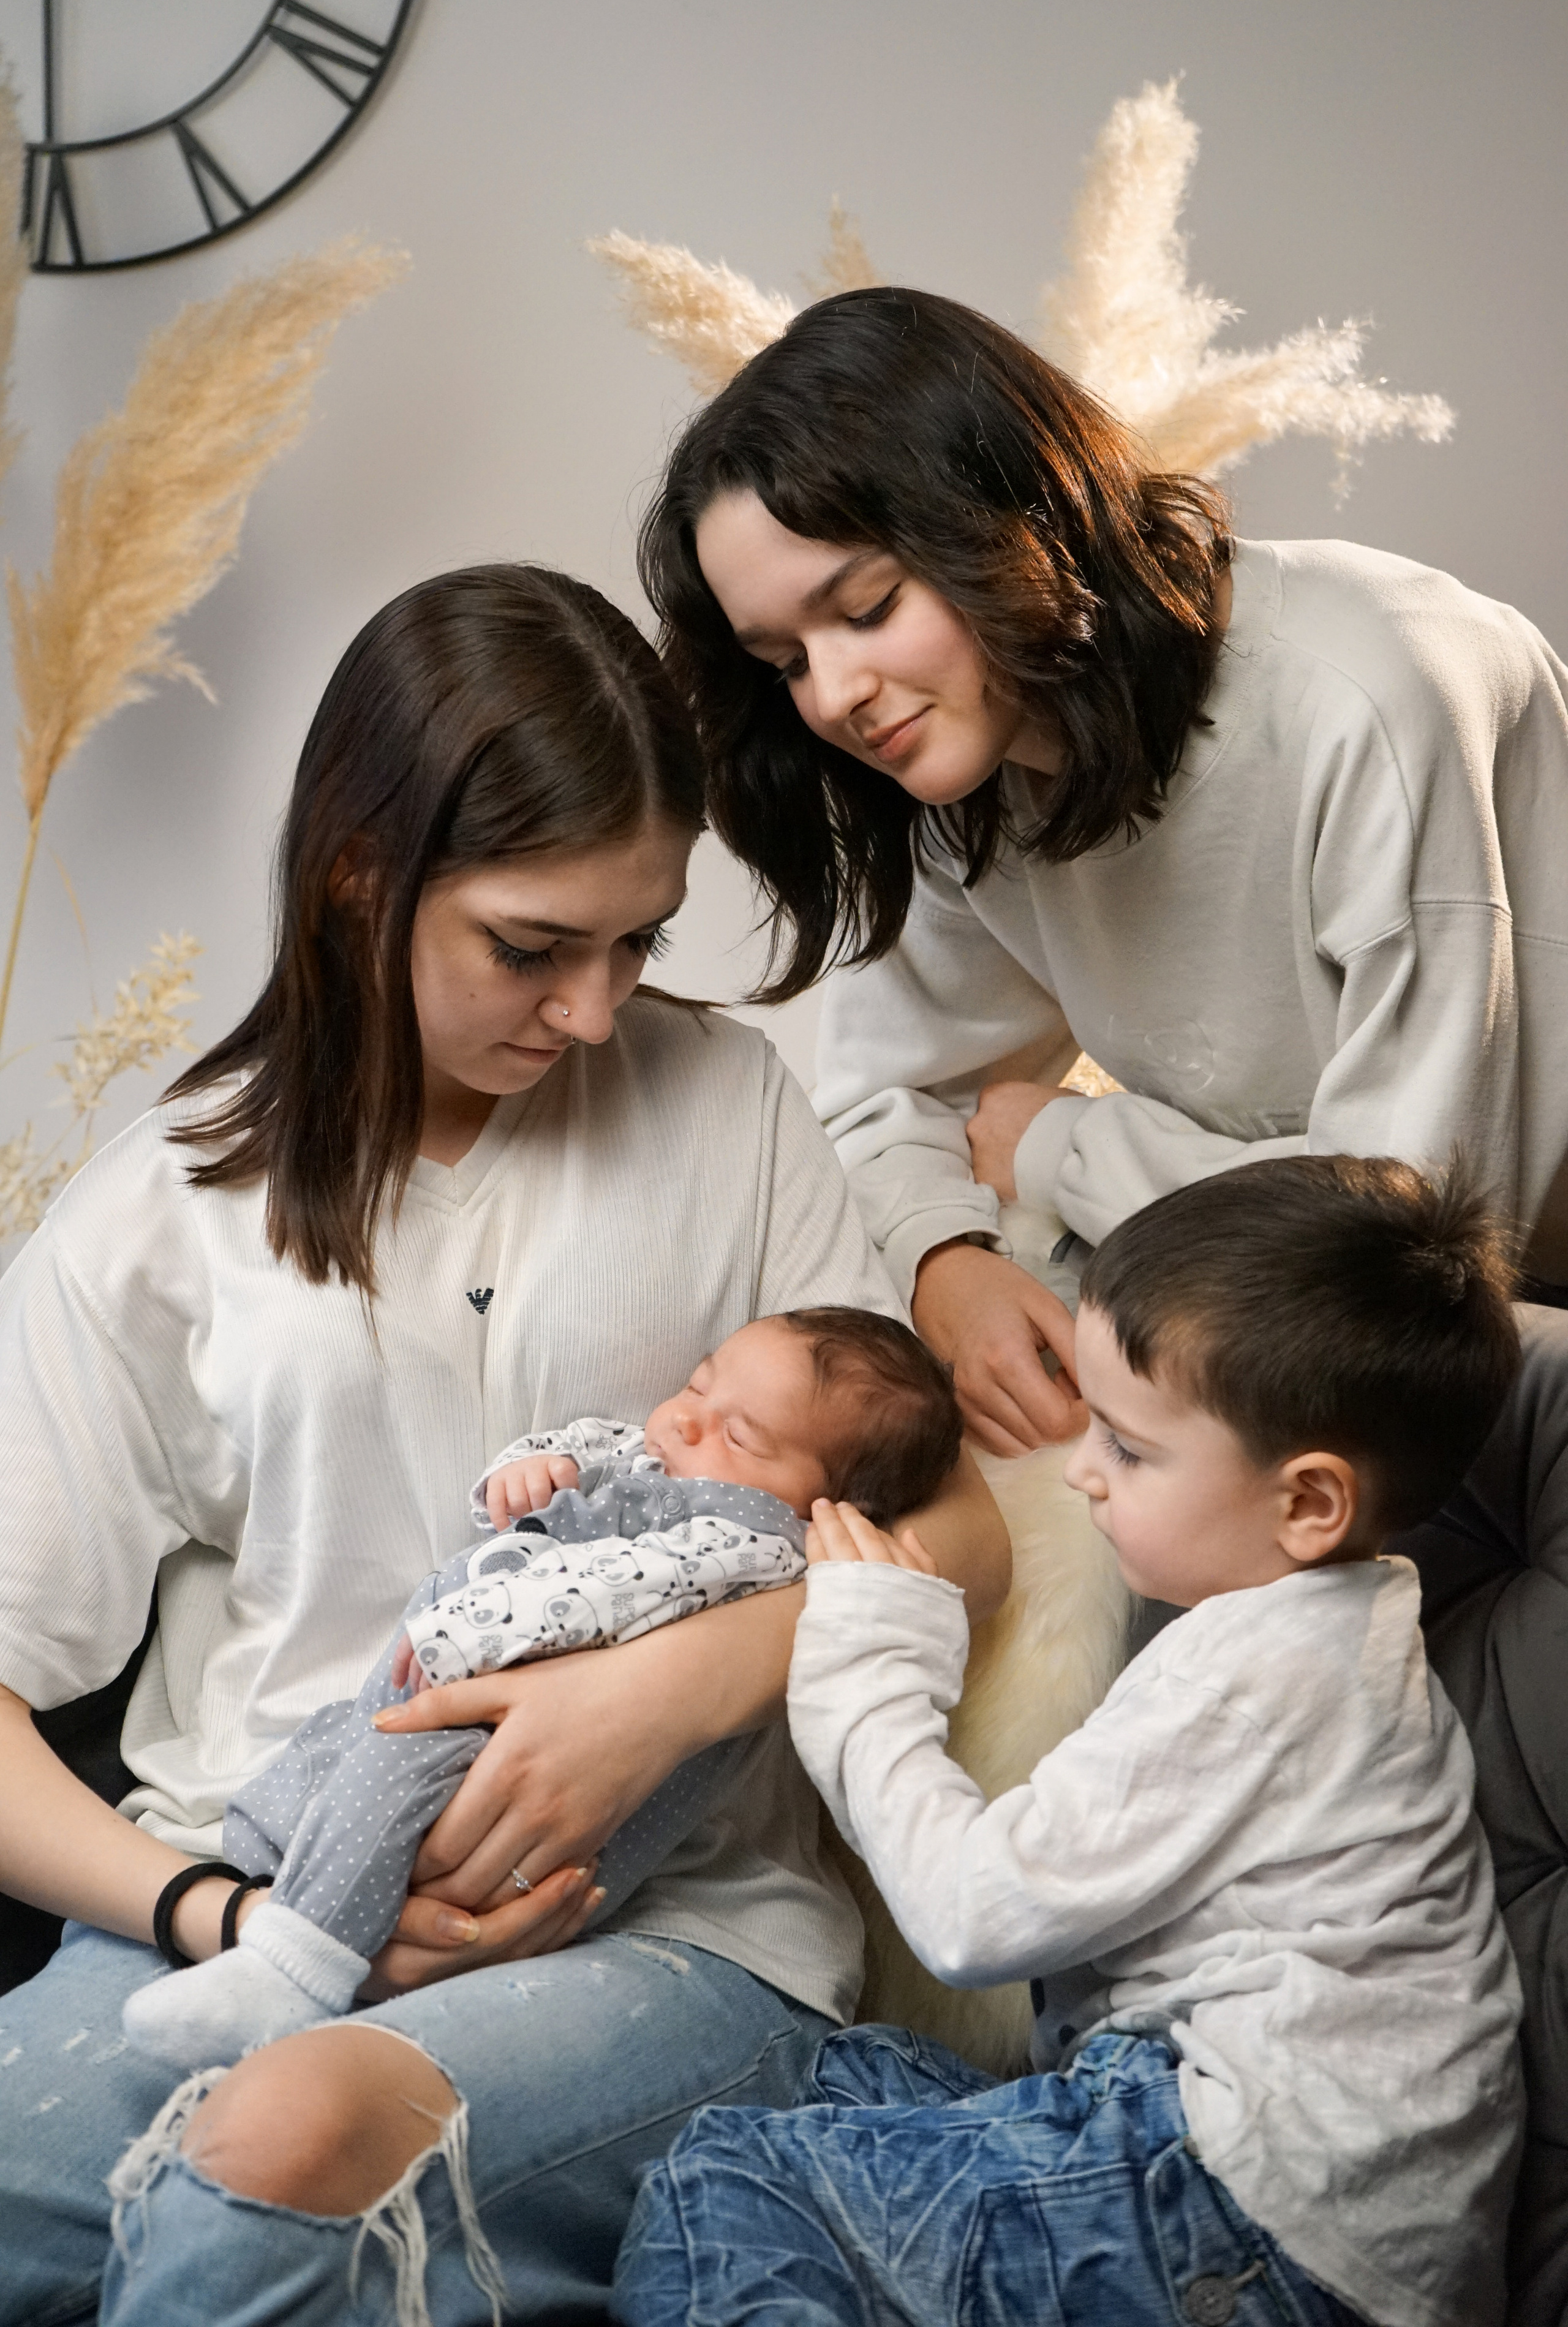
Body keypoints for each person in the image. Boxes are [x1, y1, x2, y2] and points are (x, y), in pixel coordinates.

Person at [0, 562, 1009, 2327]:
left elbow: (963, 1535)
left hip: (683, 1930)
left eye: (640, 942)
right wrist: (222, 1922)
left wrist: (673, 1694)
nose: (598, 1011)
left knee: (275, 2164)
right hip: (246, 1908)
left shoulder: (730, 1109)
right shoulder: (154, 1213)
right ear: (358, 881)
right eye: (535, 949)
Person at [638, 284, 1568, 1457]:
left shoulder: (1378, 693)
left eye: (867, 608)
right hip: (1261, 1333)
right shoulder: (957, 757)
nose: (833, 696)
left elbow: (1410, 1247)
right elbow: (884, 1107)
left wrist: (1058, 1147)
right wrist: (946, 1265)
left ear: (1003, 518)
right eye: (784, 662)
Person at [613, 1155, 1526, 2327]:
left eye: (1131, 1448)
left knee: (723, 2186)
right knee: (831, 2078)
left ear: (1308, 1503)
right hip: (1273, 2186)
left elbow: (972, 1915)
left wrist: (871, 1663)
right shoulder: (1333, 1635)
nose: (1082, 1472)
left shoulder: (1254, 1679)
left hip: (1244, 2204)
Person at [120, 1308, 962, 2070]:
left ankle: (292, 1967)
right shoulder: (662, 1461)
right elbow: (578, 1462)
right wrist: (532, 1472)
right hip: (470, 1683)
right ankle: (280, 1881)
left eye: (738, 1435)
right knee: (344, 1761)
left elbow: (617, 1590)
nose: (683, 1418)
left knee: (398, 1778)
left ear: (828, 1503)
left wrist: (470, 1632)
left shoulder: (757, 1543)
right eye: (698, 1383)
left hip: (522, 1714)